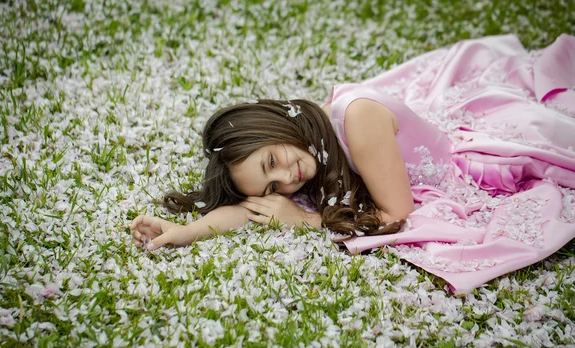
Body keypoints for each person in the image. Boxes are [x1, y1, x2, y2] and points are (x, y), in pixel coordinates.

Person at [131, 34, 575, 293]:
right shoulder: (309, 155)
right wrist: (184, 232)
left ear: (277, 126)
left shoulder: (356, 121)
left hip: (467, 163)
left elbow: (398, 213)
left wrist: (308, 222)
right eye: (271, 186)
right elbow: (247, 211)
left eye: (272, 161)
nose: (287, 179)